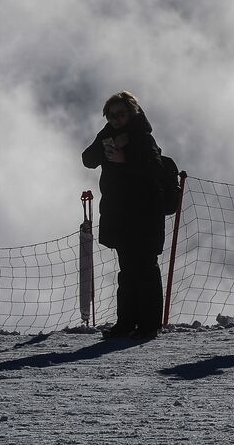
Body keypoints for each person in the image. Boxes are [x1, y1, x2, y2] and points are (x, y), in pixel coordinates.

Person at [82, 91, 167, 339]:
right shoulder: (109, 134)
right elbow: (88, 159)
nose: (116, 119)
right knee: (128, 271)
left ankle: (149, 325)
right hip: (121, 215)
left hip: (145, 215)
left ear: (132, 113)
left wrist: (124, 158)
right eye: (110, 115)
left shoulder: (143, 138)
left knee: (145, 269)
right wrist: (108, 145)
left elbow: (156, 170)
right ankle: (126, 323)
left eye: (120, 114)